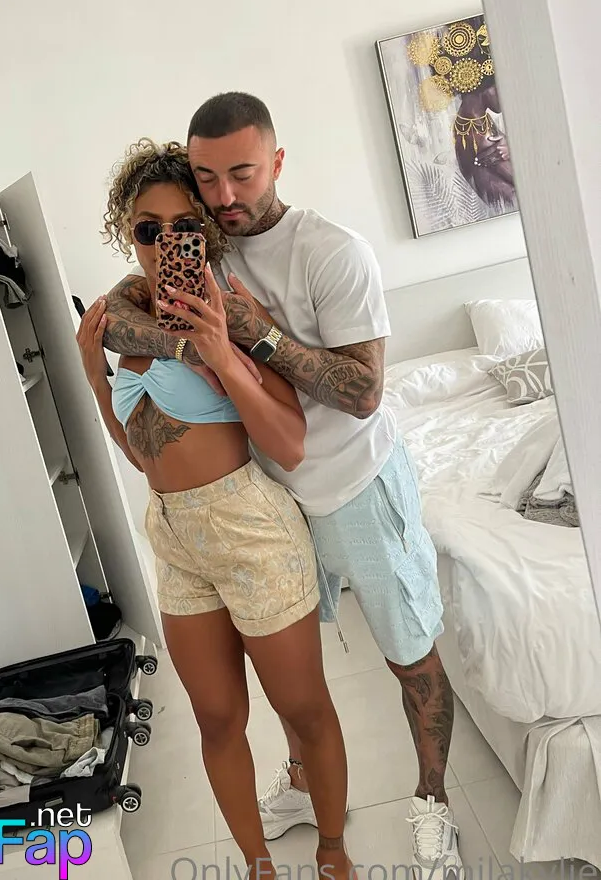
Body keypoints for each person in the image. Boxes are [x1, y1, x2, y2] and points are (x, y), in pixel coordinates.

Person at [99, 95, 462, 880]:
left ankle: (433, 803)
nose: (225, 195)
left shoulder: (331, 252)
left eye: (243, 173)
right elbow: (120, 315)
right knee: (291, 683)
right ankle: (301, 785)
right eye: (208, 178)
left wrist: (251, 332)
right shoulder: (203, 244)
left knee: (407, 656)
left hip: (352, 484)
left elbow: (363, 393)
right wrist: (168, 339)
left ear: (277, 162)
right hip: (265, 491)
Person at [76, 138, 353, 880]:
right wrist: (95, 378)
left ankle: (333, 853)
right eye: (147, 229)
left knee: (302, 708)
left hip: (251, 528)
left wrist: (223, 354)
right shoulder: (123, 327)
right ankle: (259, 866)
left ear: (206, 233)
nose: (164, 242)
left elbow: (289, 440)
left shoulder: (233, 313)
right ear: (127, 233)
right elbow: (143, 454)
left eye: (183, 227)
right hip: (173, 537)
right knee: (218, 720)